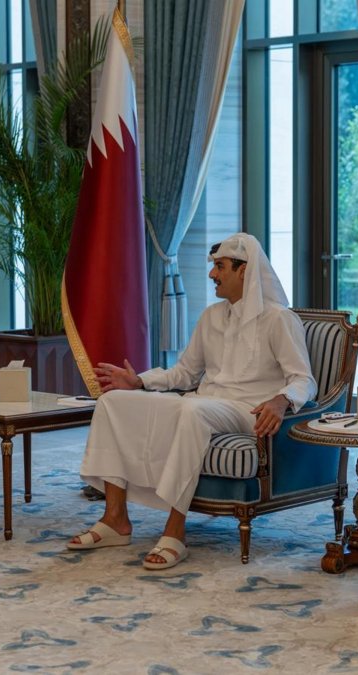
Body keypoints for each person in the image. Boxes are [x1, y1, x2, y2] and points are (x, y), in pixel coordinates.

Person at [67, 233, 316, 570]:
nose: (213, 275)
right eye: (214, 267)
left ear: (245, 271)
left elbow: (304, 379)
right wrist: (139, 381)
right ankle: (115, 519)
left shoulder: (278, 319)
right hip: (203, 401)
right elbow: (185, 373)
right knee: (115, 402)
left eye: (220, 267)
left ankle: (174, 530)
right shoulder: (212, 316)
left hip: (247, 410)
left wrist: (282, 400)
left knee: (192, 410)